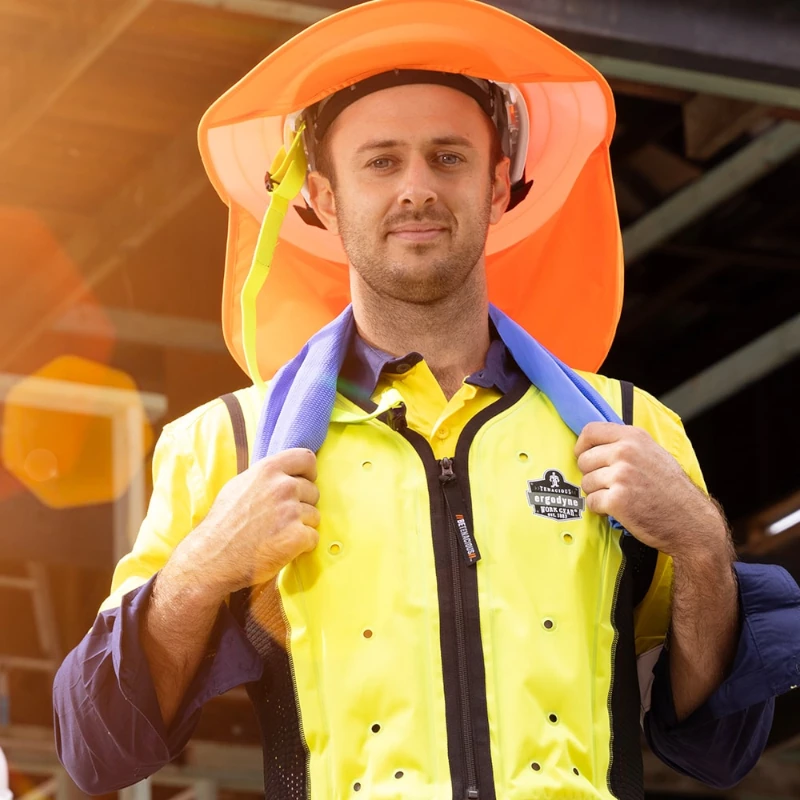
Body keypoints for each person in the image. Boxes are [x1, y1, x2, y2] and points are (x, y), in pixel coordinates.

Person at [53, 0, 800, 798]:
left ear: (501, 184)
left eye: (448, 158)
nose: (417, 189)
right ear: (324, 199)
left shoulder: (628, 427)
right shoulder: (229, 445)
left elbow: (720, 742)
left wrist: (698, 541)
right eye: (380, 162)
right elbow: (99, 745)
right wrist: (202, 570)